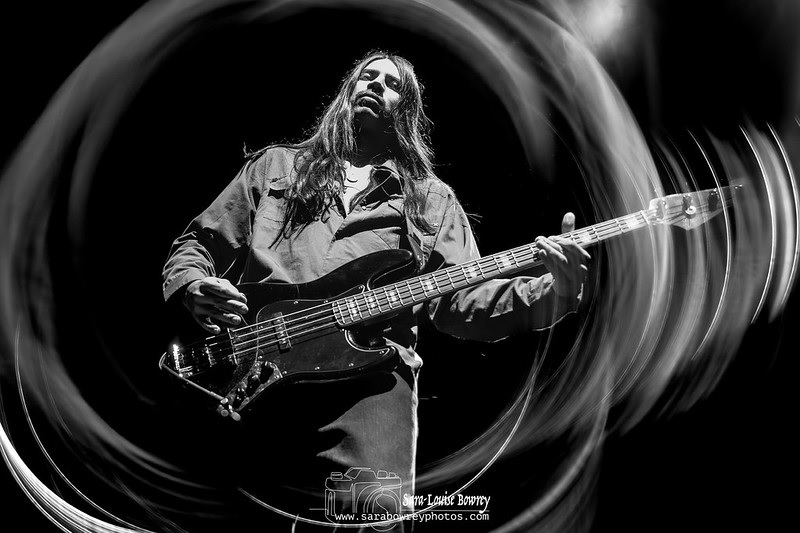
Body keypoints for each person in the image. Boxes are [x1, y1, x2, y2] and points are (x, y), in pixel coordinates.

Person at [162, 50, 589, 530]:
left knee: (372, 521)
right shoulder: (276, 166)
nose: (376, 85)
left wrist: (554, 290)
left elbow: (459, 302)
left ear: (405, 111)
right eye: (368, 77)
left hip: (371, 385)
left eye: (392, 84)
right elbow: (198, 242)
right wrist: (193, 285)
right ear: (347, 93)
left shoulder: (430, 199)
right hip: (260, 366)